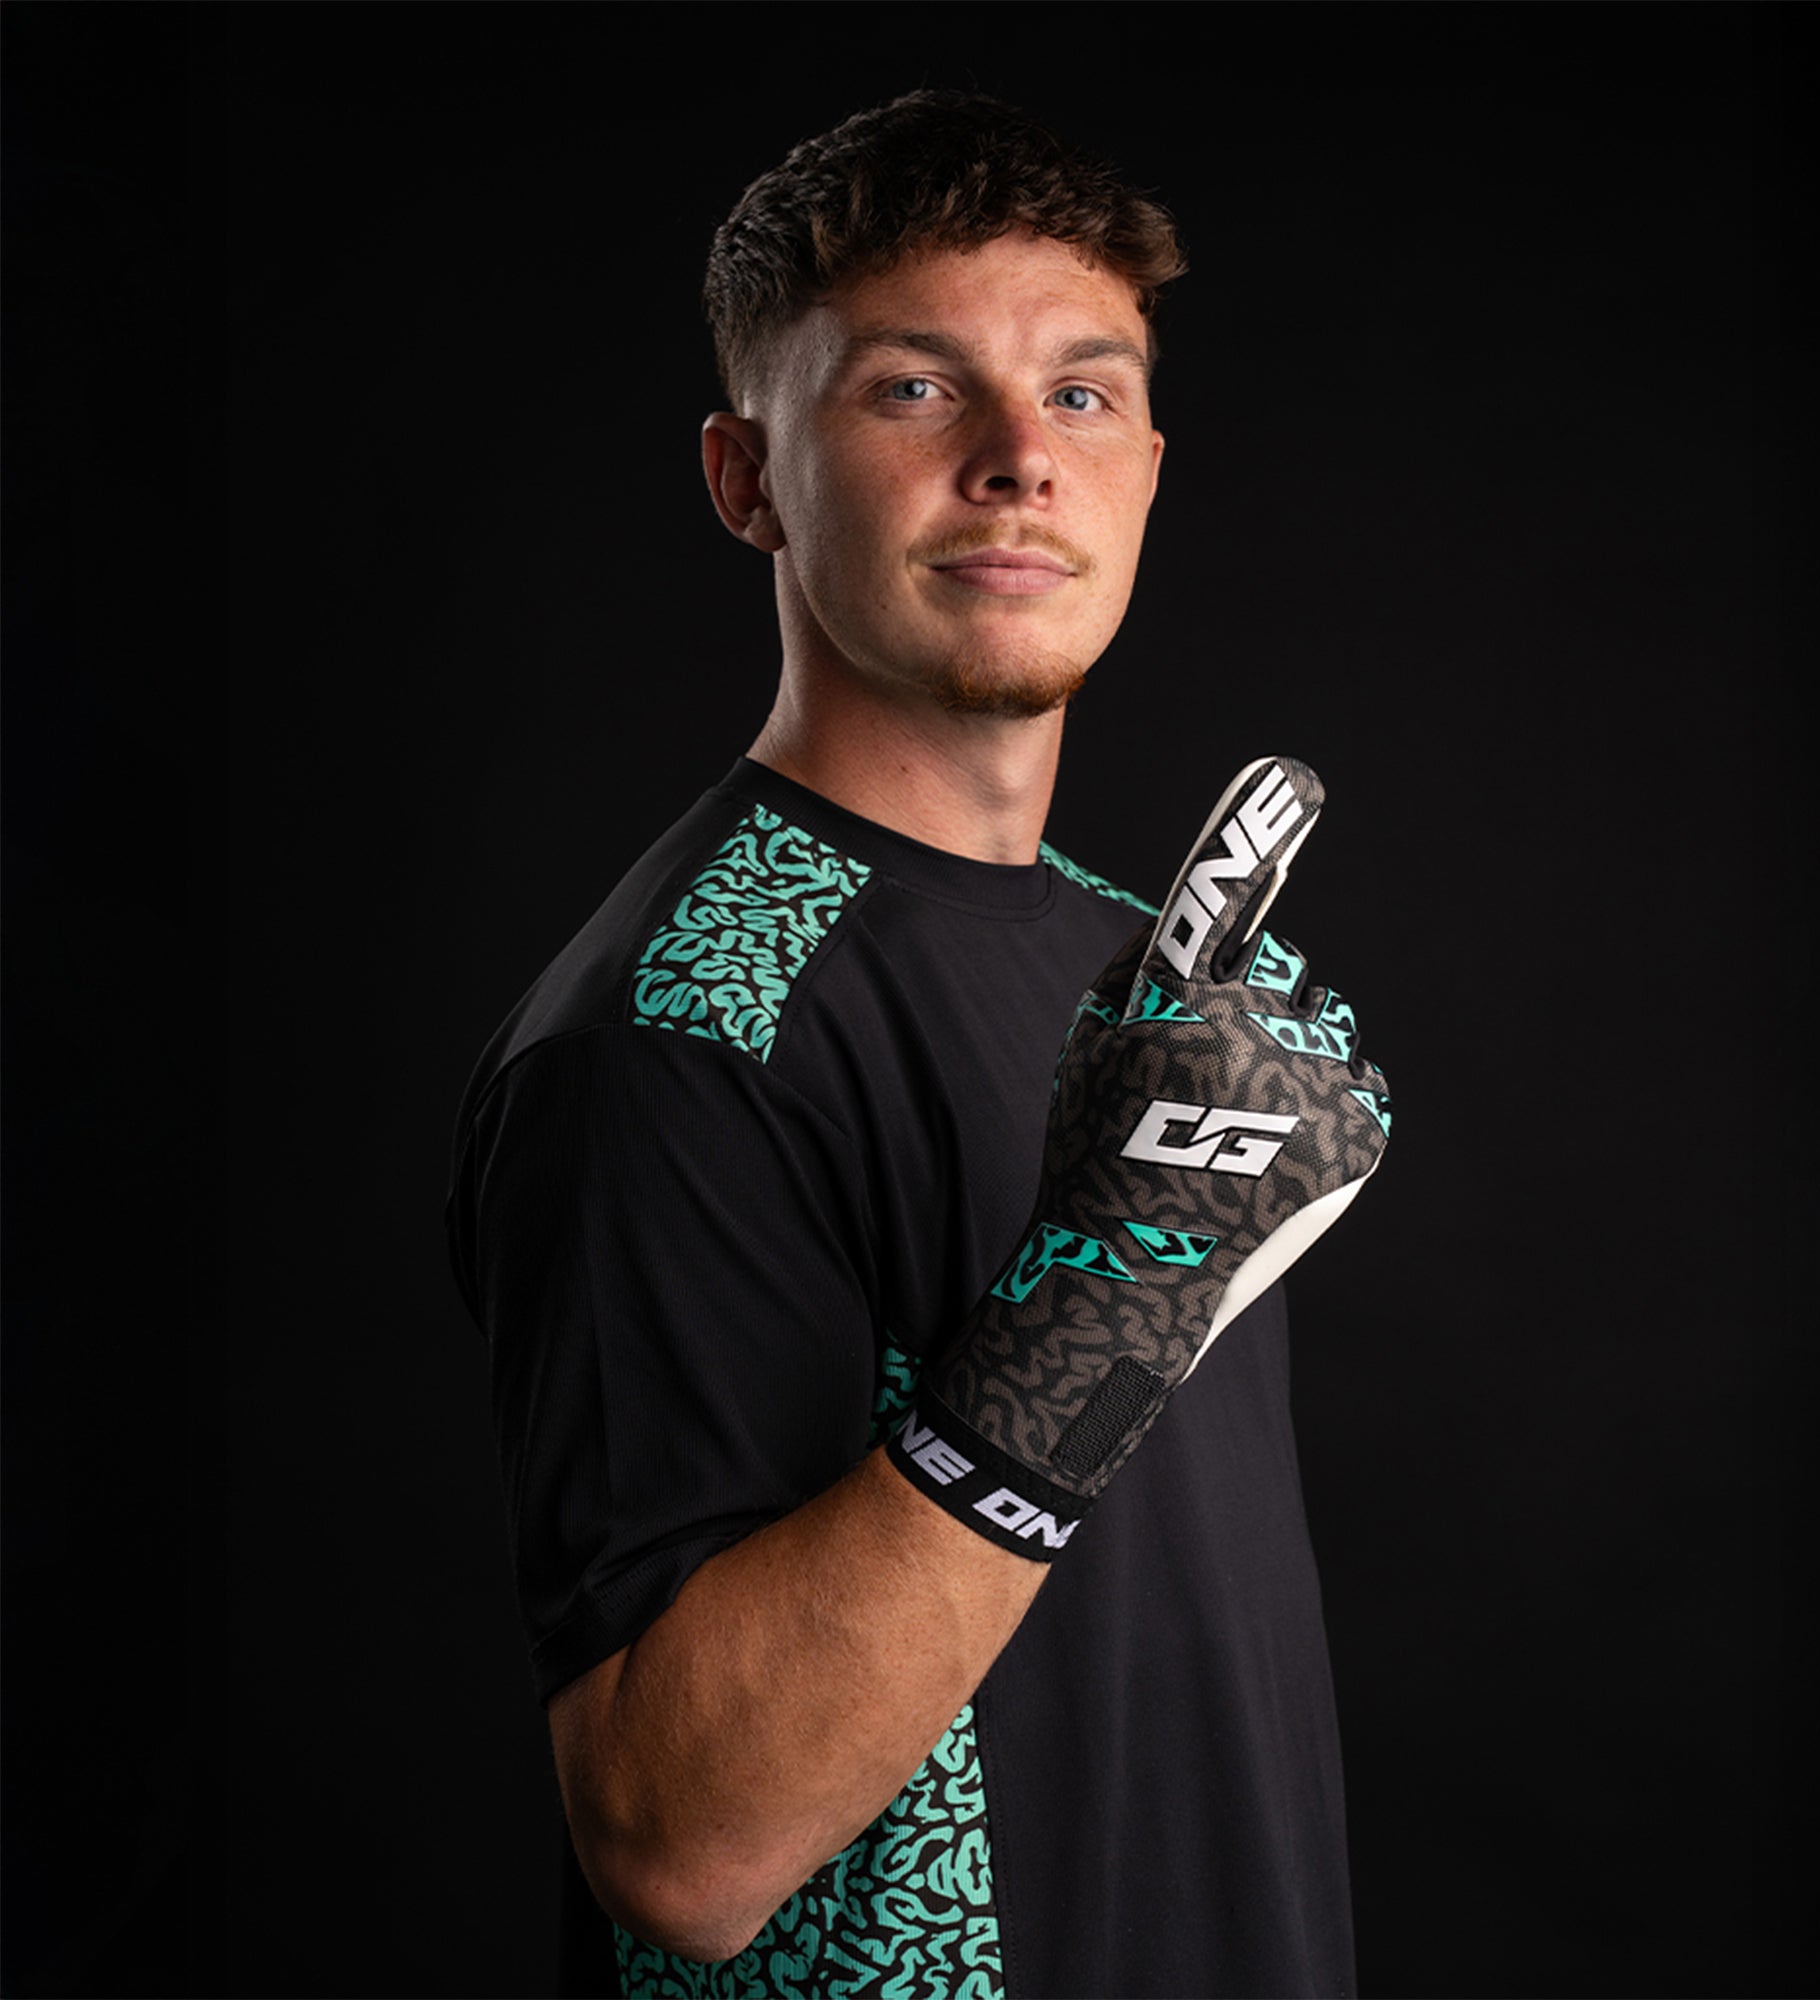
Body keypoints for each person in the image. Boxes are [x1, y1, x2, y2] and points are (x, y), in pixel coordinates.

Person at [447, 90, 1391, 2000]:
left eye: (1083, 395)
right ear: (748, 479)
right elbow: (680, 1845)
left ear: (1145, 469)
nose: (1018, 461)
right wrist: (1111, 1298)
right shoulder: (681, 1027)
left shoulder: (1149, 972)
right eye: (912, 389)